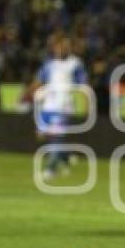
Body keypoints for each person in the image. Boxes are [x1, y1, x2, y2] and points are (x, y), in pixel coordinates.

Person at [29, 34, 87, 180]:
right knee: (43, 136)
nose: (61, 49)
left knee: (56, 137)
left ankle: (51, 170)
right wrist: (30, 93)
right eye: (58, 46)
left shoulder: (75, 64)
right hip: (48, 106)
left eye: (64, 46)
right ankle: (66, 158)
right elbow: (38, 81)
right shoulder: (49, 64)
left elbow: (83, 85)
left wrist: (86, 103)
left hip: (64, 107)